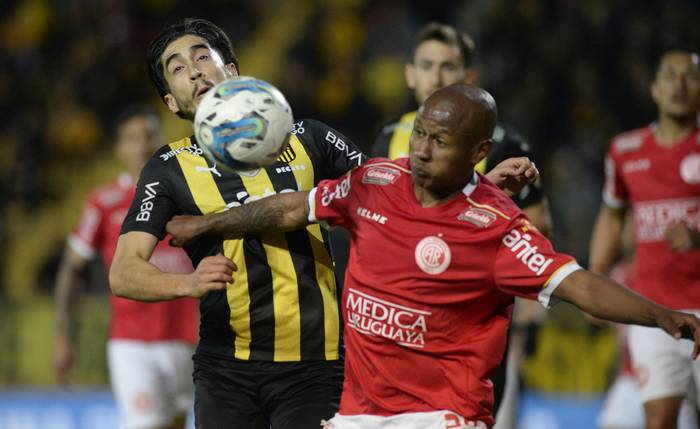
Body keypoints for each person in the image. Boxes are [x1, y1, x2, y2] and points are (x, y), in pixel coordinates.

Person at [165, 83, 700, 429]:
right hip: (359, 415)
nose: (420, 149)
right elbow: (289, 209)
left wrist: (661, 316)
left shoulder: (495, 228)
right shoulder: (374, 182)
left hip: (441, 417)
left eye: (439, 141)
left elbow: (578, 282)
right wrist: (206, 224)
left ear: (479, 152)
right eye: (419, 133)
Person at [109, 18, 538, 429]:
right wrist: (189, 284)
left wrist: (475, 182)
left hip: (318, 366)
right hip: (226, 369)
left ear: (232, 71)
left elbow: (395, 194)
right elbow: (125, 271)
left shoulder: (310, 137)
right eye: (178, 69)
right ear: (171, 101)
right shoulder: (167, 168)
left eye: (202, 58)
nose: (195, 73)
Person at [371, 22, 551, 422]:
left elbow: (537, 233)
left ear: (468, 77)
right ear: (410, 73)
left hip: (469, 329)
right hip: (398, 326)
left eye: (448, 67)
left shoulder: (503, 144)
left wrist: (527, 321)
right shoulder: (386, 139)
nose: (436, 77)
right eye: (427, 65)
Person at [54, 107, 199, 429]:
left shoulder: (189, 196)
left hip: (187, 338)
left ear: (161, 139)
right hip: (132, 342)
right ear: (119, 148)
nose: (142, 145)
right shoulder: (104, 202)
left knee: (176, 421)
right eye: (131, 138)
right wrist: (63, 334)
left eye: (148, 135)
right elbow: (71, 267)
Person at [589, 48, 700, 429]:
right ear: (654, 88)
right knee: (658, 419)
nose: (680, 85)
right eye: (670, 75)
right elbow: (611, 213)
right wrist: (597, 278)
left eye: (690, 76)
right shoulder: (624, 151)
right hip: (654, 313)